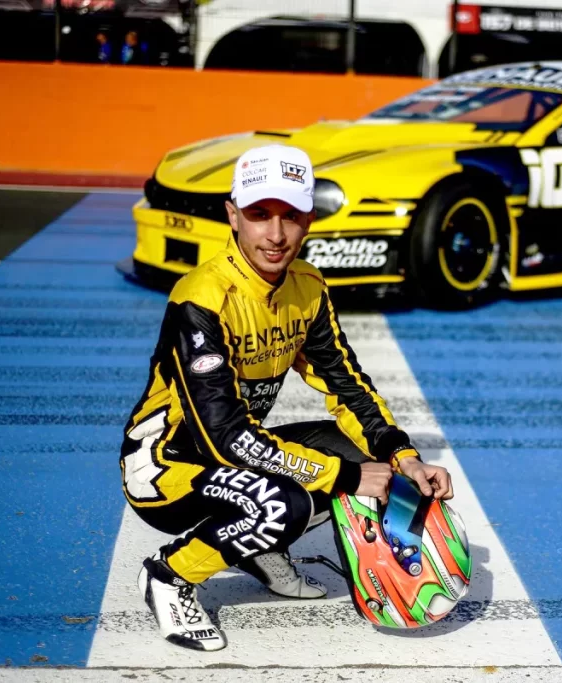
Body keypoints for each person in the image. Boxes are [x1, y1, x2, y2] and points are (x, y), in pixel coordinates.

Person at [120, 143, 454, 652]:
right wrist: (343, 477)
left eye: (291, 216)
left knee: (358, 454)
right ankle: (168, 575)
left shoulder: (308, 287)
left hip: (230, 453)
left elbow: (346, 385)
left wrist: (403, 459)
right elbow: (225, 437)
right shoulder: (199, 298)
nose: (276, 235)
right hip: (164, 468)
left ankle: (257, 549)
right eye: (259, 215)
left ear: (310, 220)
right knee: (287, 503)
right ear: (233, 216)